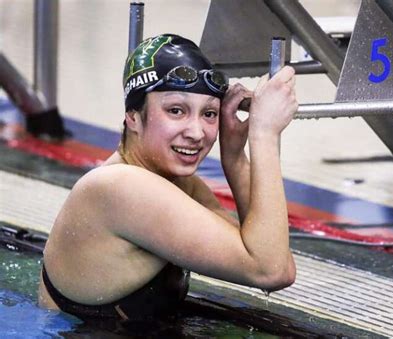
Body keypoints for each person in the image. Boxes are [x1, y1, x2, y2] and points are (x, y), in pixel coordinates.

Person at [38, 34, 298, 322]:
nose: (197, 133)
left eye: (209, 114)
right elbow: (269, 269)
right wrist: (263, 135)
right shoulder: (119, 188)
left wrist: (235, 158)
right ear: (133, 117)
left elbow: (272, 257)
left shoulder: (180, 185)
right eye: (176, 111)